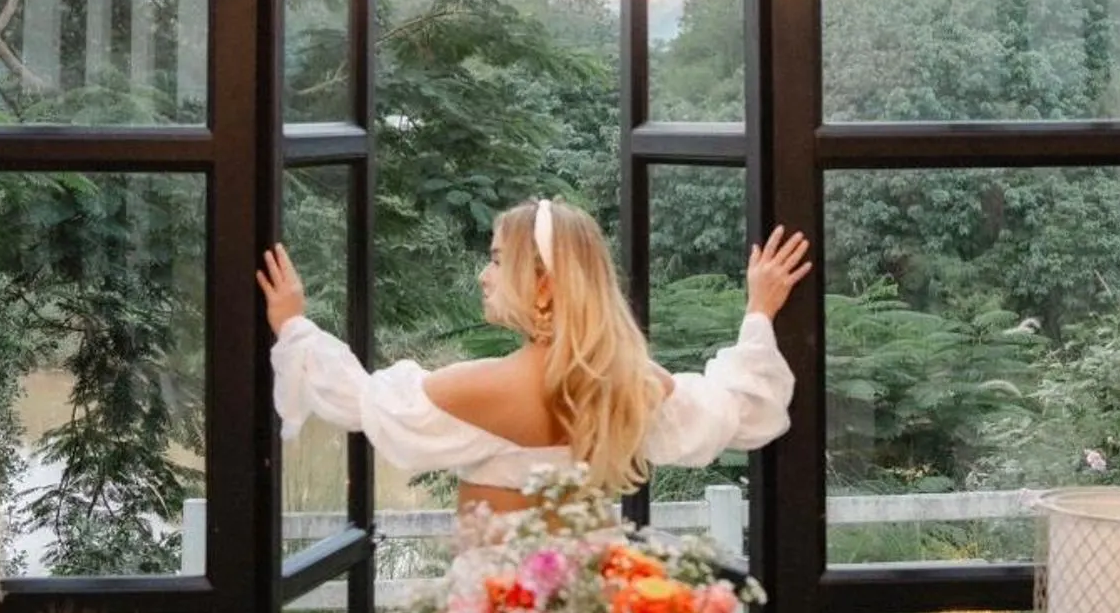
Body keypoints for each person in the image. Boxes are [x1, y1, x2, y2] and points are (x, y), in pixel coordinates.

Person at [258, 198, 809, 524]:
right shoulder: (632, 386)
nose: (484, 274)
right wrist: (759, 309)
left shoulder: (475, 388)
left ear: (544, 284)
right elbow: (740, 408)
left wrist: (292, 324)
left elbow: (356, 399)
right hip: (596, 610)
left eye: (497, 260)